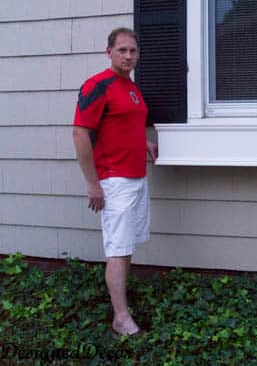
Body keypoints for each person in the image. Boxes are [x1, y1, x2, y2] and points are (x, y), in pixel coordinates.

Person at [72, 27, 158, 336]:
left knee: (126, 246)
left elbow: (128, 125)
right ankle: (121, 318)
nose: (128, 56)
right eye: (122, 50)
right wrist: (93, 183)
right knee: (117, 249)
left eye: (133, 51)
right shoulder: (98, 85)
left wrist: (144, 144)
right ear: (108, 52)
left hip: (137, 177)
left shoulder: (131, 88)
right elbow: (80, 133)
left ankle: (121, 302)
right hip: (113, 181)